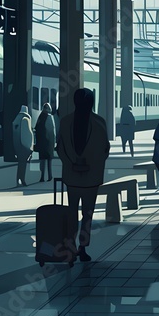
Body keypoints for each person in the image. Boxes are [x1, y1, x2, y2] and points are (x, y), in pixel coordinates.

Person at [56, 89, 110, 262]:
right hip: (91, 180)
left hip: (72, 179)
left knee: (71, 213)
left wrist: (70, 164)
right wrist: (91, 165)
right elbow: (105, 150)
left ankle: (70, 246)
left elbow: (59, 148)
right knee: (87, 215)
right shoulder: (100, 122)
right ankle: (82, 248)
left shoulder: (65, 122)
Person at [35, 102, 56, 183]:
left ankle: (42, 176)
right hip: (48, 142)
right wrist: (53, 142)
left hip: (41, 142)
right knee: (49, 160)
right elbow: (52, 131)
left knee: (42, 160)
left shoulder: (40, 117)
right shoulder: (49, 117)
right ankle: (50, 175)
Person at [13, 105, 33, 187]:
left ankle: (18, 180)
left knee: (19, 165)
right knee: (23, 165)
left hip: (17, 146)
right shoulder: (25, 119)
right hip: (24, 147)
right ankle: (22, 180)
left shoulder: (16, 119)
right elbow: (27, 134)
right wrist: (30, 147)